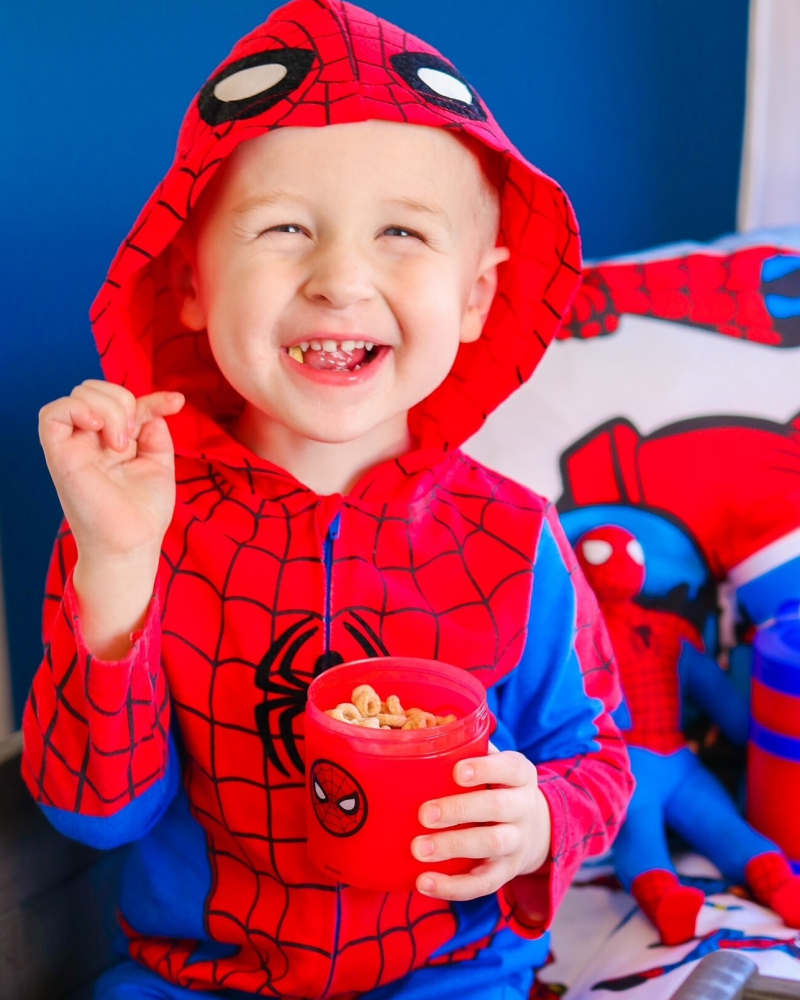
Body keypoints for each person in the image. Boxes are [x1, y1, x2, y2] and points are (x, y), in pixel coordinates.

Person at [22, 2, 634, 998]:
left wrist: (539, 824)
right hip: (198, 977)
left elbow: (595, 756)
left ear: (476, 295)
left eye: (400, 230)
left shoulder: (516, 538)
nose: (339, 278)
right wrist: (119, 570)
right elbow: (95, 815)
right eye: (282, 229)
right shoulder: (129, 510)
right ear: (189, 279)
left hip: (454, 974)